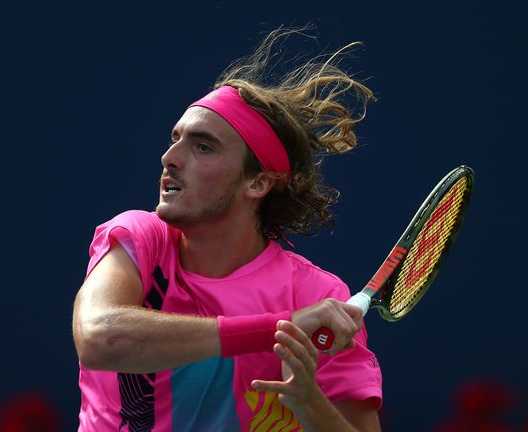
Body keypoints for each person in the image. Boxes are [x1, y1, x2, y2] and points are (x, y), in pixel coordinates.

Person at [72, 28, 382, 431]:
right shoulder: (140, 239)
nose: (170, 158)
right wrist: (280, 328)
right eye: (175, 139)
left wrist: (309, 402)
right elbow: (99, 338)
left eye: (203, 147)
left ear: (257, 182)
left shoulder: (316, 296)